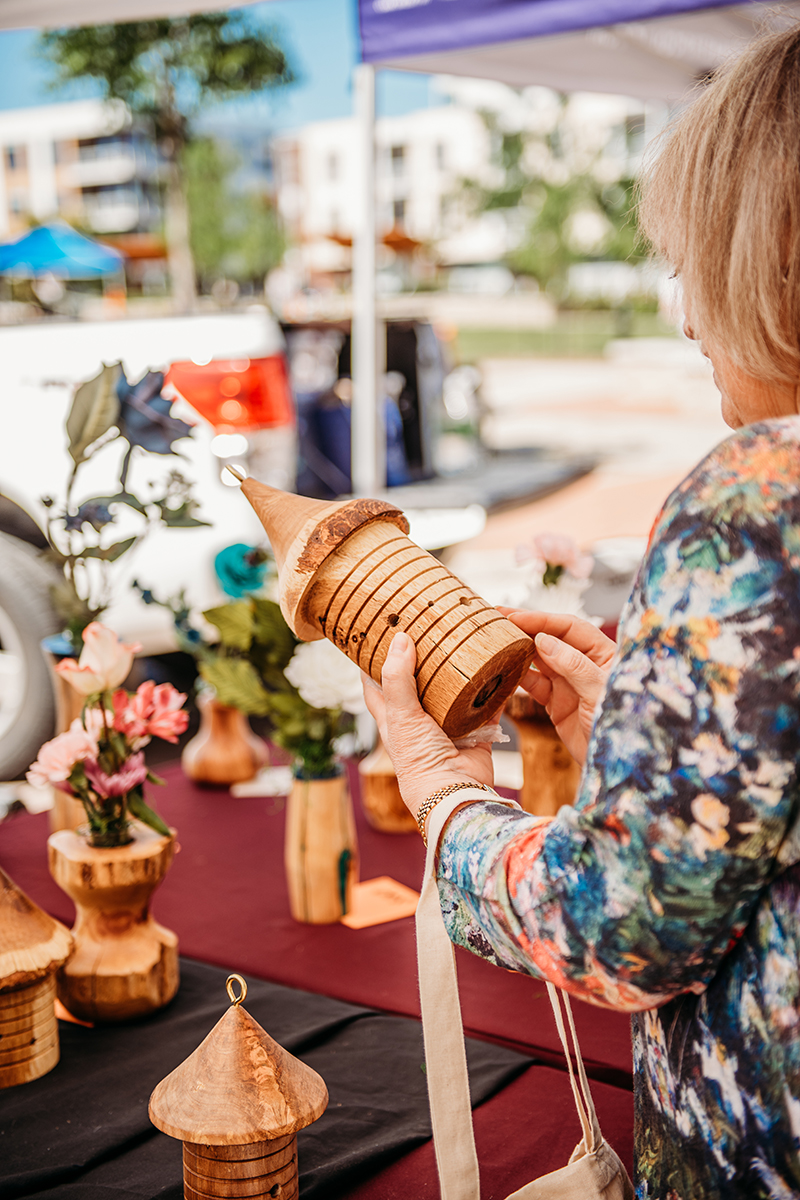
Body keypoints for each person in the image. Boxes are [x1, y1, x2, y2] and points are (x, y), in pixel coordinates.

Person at [363, 25, 800, 1200]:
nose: (685, 316)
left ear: (767, 255)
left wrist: (442, 794)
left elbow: (625, 925)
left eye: (691, 263)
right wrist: (640, 724)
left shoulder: (759, 497)